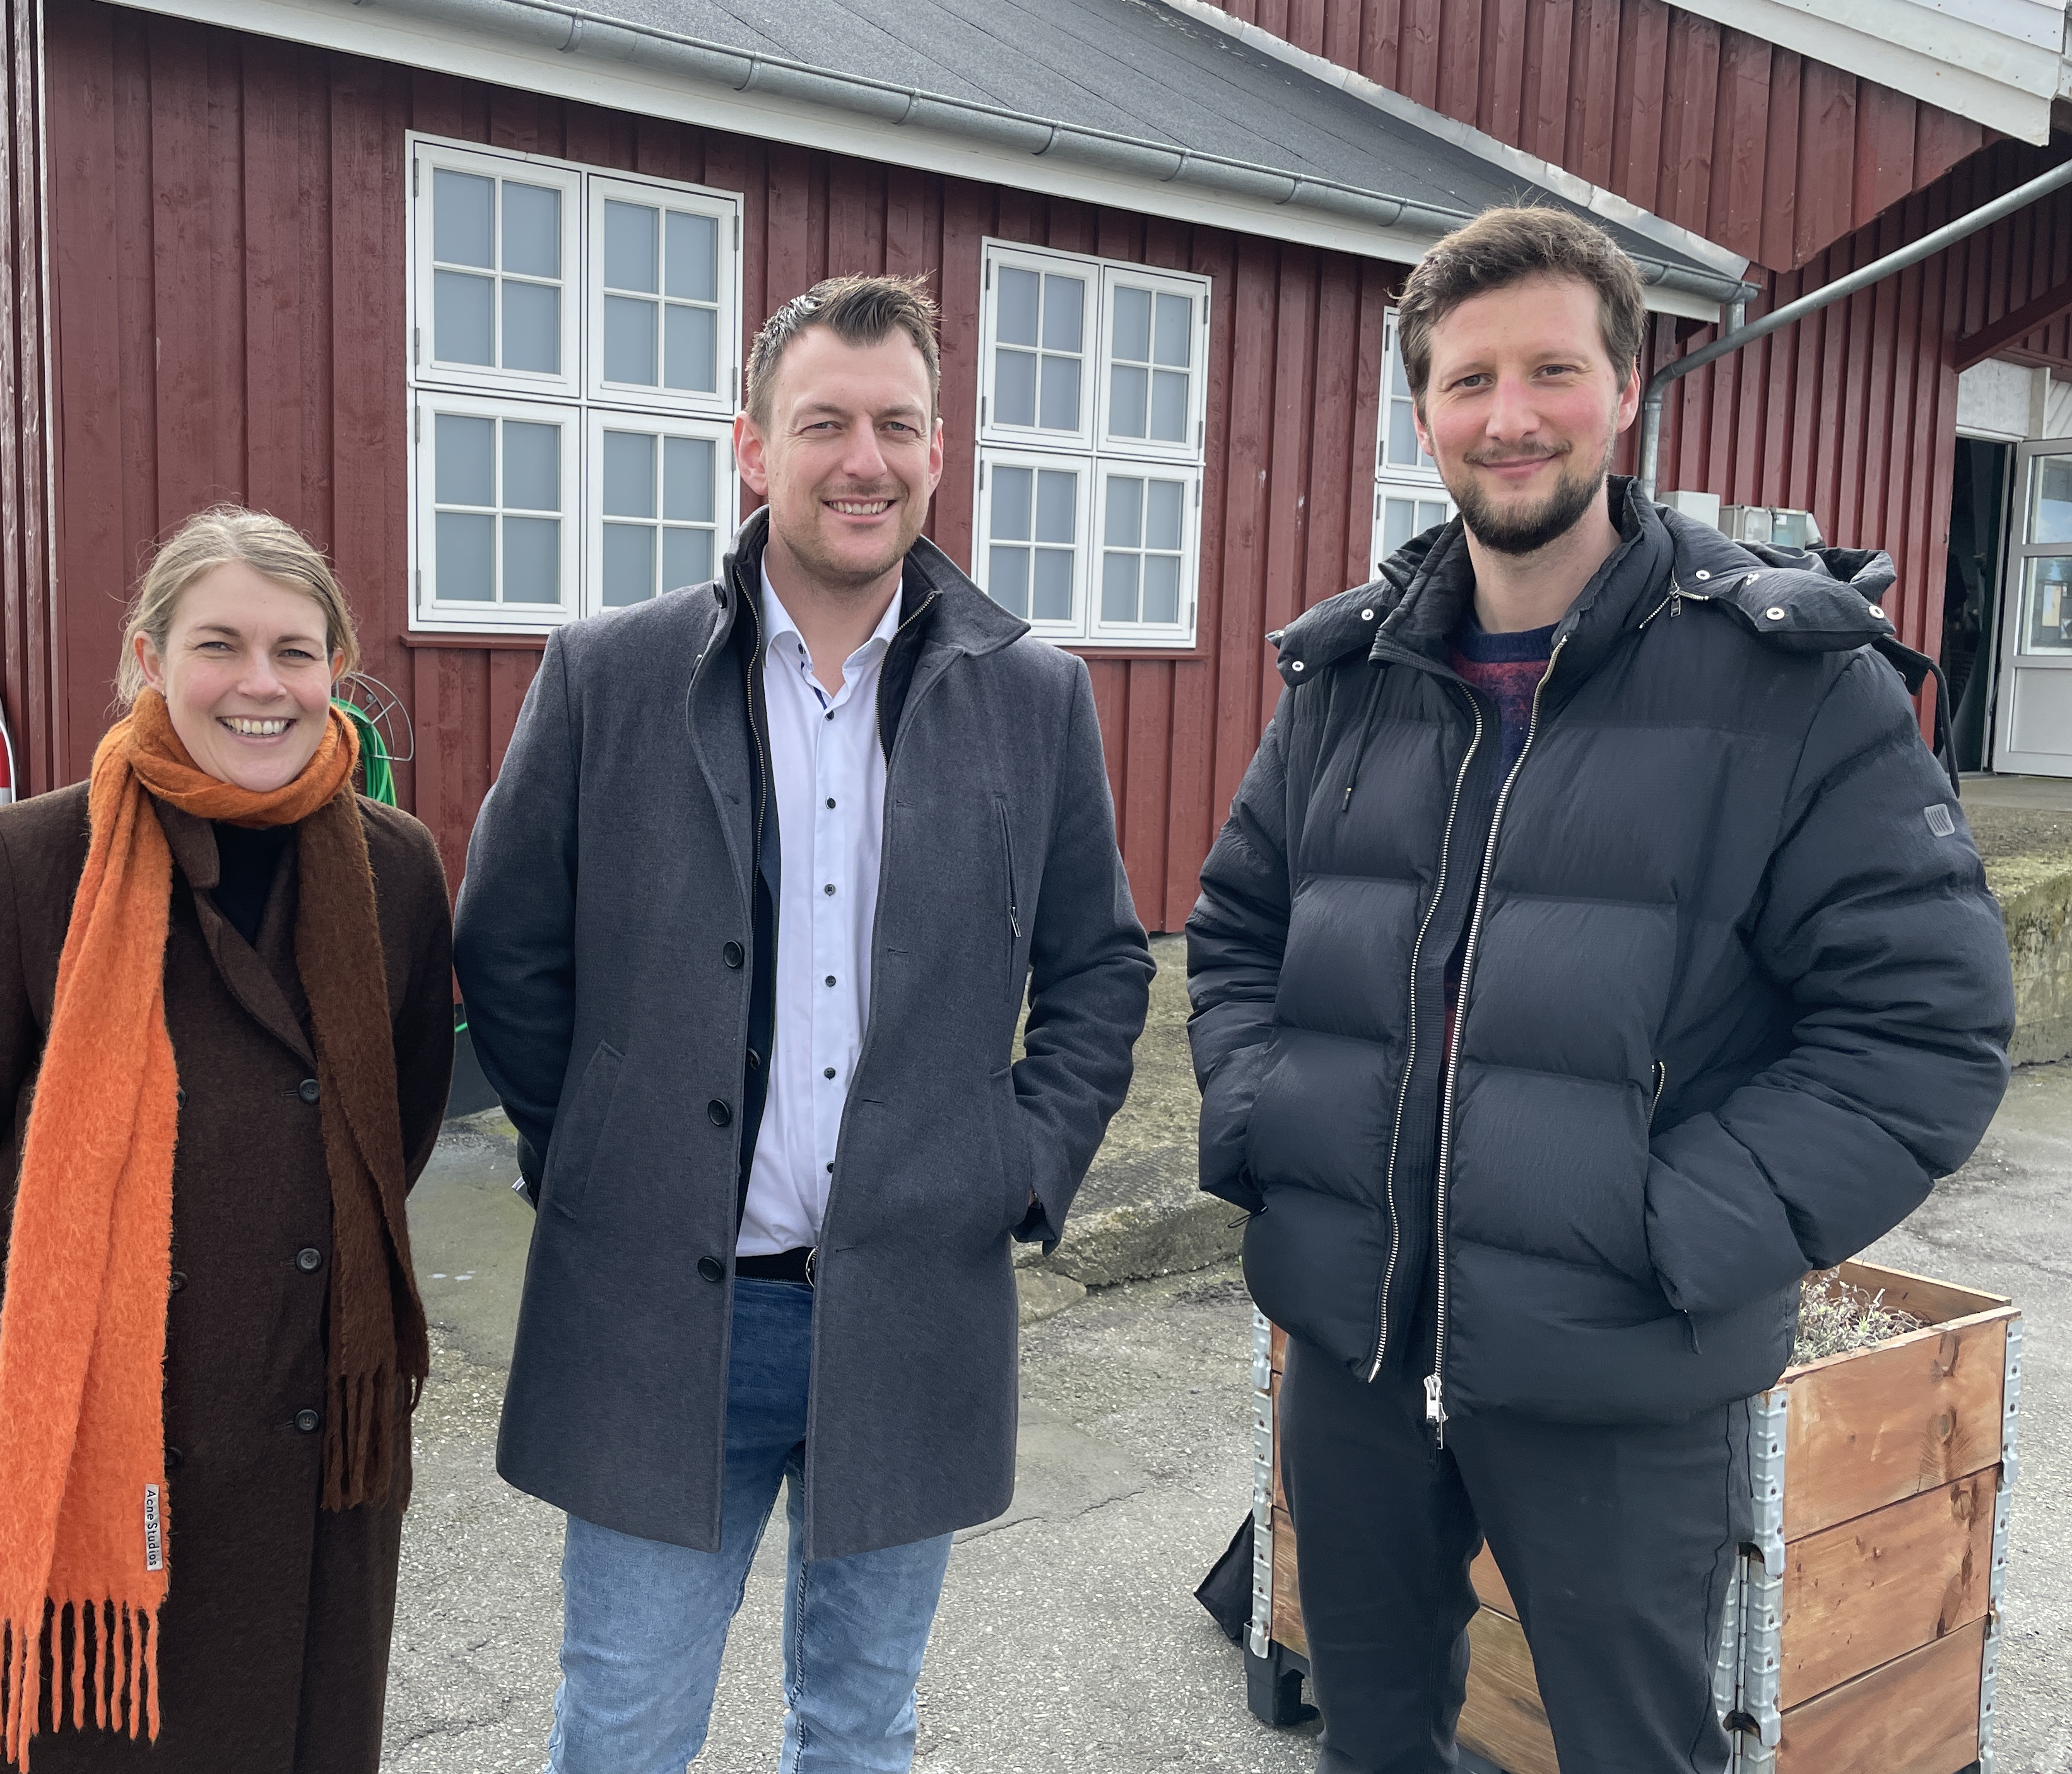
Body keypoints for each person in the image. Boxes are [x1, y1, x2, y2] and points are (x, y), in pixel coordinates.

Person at [1187, 204, 2015, 1774]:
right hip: (1356, 1356)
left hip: (1620, 1371)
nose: (1511, 416)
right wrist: (1270, 1129)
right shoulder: (1348, 682)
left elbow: (1924, 1032)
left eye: (1552, 371)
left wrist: (1664, 1228)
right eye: (1469, 380)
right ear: (1423, 414)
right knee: (1370, 1740)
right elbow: (1235, 936)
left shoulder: (1793, 685)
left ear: (1626, 390)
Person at [456, 274, 1155, 1773]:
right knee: (623, 1731)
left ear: (938, 451)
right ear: (754, 447)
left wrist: (1019, 1160)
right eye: (824, 422)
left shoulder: (1034, 696)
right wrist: (595, 1144)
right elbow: (507, 945)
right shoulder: (610, 673)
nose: (864, 460)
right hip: (665, 1317)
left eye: (897, 425)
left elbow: (1101, 967)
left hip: (910, 1314)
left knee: (858, 1732)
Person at [0, 506, 454, 1771]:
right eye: (220, 645)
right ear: (149, 658)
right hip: (78, 1421)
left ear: (336, 668)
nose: (262, 684)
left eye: (295, 652)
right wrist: (58, 1328)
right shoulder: (30, 863)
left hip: (306, 1422)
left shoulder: (397, 870)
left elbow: (393, 1132)